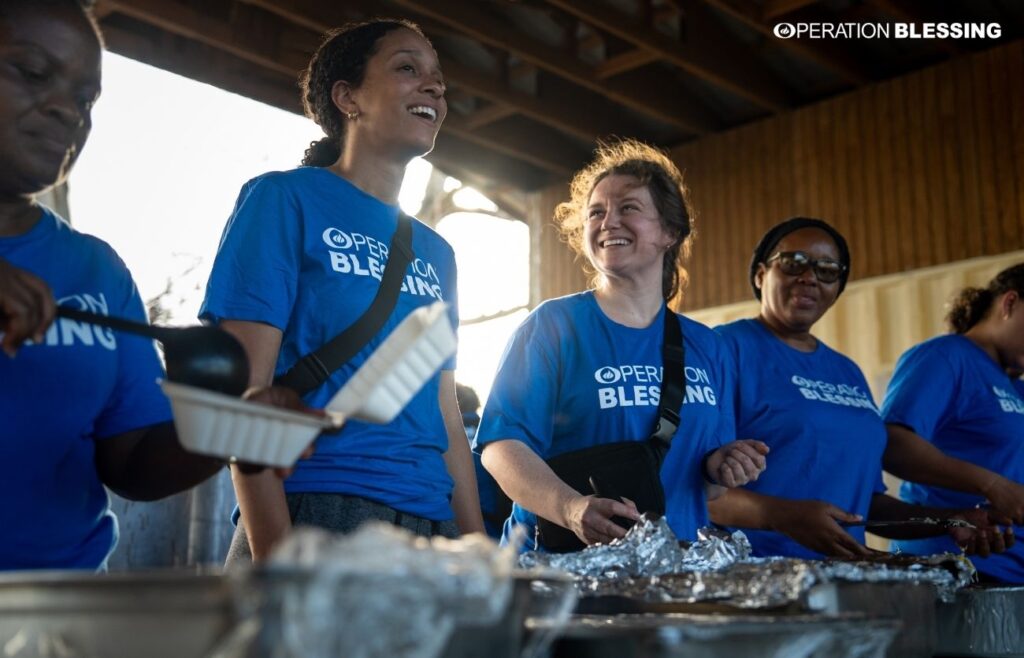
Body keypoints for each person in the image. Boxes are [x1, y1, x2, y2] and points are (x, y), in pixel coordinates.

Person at [0, 0, 306, 571]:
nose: (67, 110)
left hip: (58, 605)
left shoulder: (96, 271)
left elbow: (132, 463)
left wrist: (228, 431)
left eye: (86, 99)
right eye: (33, 71)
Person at [201, 18, 484, 564]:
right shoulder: (283, 200)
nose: (434, 87)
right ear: (347, 97)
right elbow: (242, 394)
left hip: (433, 529)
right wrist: (278, 562)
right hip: (318, 513)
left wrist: (478, 555)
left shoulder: (437, 253)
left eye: (439, 80)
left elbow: (446, 417)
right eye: (408, 68)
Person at [474, 139, 768, 552]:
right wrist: (570, 508)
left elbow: (710, 491)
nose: (609, 222)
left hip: (671, 567)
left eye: (628, 208)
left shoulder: (706, 345)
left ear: (670, 232)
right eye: (596, 212)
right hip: (560, 568)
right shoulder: (553, 326)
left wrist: (722, 468)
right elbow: (501, 447)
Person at [708, 218, 1011, 559]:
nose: (809, 277)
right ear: (761, 274)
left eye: (827, 270)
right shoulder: (723, 348)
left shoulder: (846, 371)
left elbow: (864, 505)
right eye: (793, 263)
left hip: (839, 578)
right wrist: (782, 515)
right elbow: (690, 486)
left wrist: (949, 520)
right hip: (753, 576)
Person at [882, 264, 1024, 582]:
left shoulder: (1015, 385)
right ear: (1010, 303)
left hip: (1012, 577)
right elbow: (892, 442)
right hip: (953, 570)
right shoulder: (946, 357)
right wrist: (993, 485)